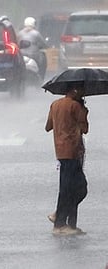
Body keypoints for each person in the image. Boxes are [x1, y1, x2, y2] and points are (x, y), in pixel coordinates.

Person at [45, 82, 89, 236]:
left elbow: (48, 126)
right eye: (82, 90)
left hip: (61, 151)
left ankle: (70, 223)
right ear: (75, 90)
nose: (83, 93)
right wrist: (83, 112)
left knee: (70, 187)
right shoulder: (76, 107)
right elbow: (85, 129)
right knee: (78, 188)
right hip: (73, 150)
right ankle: (60, 221)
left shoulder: (55, 104)